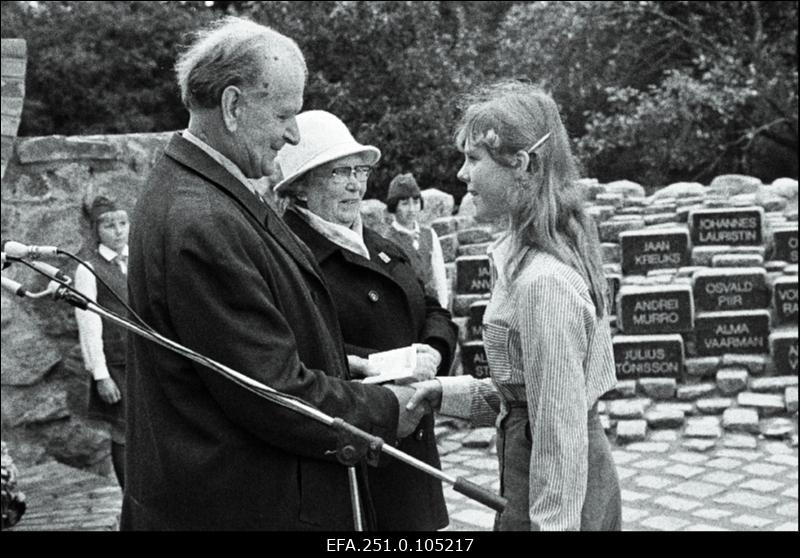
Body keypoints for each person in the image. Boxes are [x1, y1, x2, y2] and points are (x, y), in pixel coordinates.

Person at [122, 17, 427, 531]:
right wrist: (385, 408)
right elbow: (269, 392)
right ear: (234, 106)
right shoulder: (202, 219)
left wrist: (342, 366)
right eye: (285, 113)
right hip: (238, 506)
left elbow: (243, 349)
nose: (293, 133)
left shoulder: (205, 192)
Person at [408, 81, 622, 531]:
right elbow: (530, 396)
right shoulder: (530, 259)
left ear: (522, 165)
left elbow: (559, 432)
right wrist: (449, 395)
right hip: (540, 475)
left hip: (559, 495)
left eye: (473, 158)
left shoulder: (544, 283)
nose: (463, 174)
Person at [274, 110, 458, 530]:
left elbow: (432, 309)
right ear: (301, 185)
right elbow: (291, 351)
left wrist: (434, 349)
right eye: (339, 173)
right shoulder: (288, 256)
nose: (356, 184)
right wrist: (380, 364)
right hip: (355, 459)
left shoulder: (380, 245)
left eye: (360, 170)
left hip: (412, 448)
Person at [73, 195, 130, 489]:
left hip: (143, 359)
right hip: (116, 362)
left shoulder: (137, 260)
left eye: (123, 223)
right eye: (109, 226)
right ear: (96, 231)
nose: (118, 231)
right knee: (122, 430)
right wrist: (101, 375)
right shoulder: (88, 268)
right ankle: (129, 496)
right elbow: (89, 325)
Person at [384, 173, 450, 308]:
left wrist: (443, 308)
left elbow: (440, 276)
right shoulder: (386, 240)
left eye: (415, 202)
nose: (412, 209)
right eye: (404, 203)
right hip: (404, 310)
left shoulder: (429, 234)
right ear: (394, 206)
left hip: (432, 309)